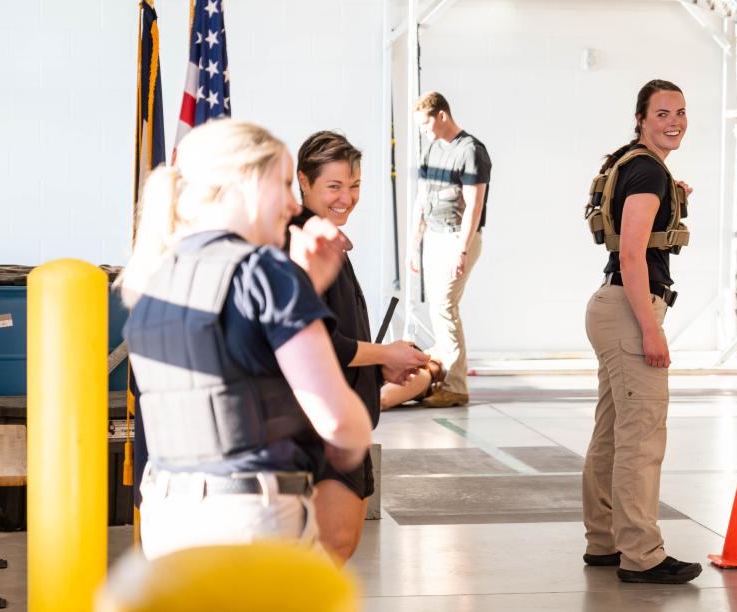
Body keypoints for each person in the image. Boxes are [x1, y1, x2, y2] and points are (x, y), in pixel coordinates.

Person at [118, 119, 372, 560]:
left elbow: (230, 378)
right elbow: (340, 425)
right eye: (284, 184)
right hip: (249, 519)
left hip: (167, 518)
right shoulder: (264, 272)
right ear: (247, 183)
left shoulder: (153, 278)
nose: (294, 205)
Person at [581, 80, 702, 584]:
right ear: (641, 118)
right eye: (662, 114)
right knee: (641, 438)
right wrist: (651, 330)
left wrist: (672, 196)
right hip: (631, 311)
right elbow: (632, 253)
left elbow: (631, 234)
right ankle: (642, 555)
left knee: (612, 431)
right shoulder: (649, 171)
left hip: (610, 307)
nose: (674, 121)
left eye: (680, 112)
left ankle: (605, 541)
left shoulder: (630, 162)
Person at [288, 131, 429, 564]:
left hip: (341, 420)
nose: (347, 198)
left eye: (355, 186)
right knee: (327, 549)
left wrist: (378, 366)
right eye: (334, 186)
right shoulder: (301, 244)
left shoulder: (326, 238)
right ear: (303, 182)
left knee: (337, 547)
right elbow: (316, 342)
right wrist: (385, 354)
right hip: (318, 427)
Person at [407, 91, 491, 408]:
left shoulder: (471, 151)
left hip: (459, 237)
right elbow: (422, 198)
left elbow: (474, 204)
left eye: (426, 124)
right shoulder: (432, 148)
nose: (424, 131)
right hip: (434, 235)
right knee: (437, 309)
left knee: (444, 305)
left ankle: (456, 387)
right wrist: (413, 246)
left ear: (441, 115)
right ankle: (442, 377)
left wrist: (462, 249)